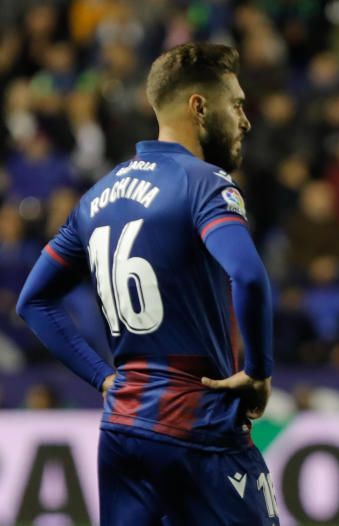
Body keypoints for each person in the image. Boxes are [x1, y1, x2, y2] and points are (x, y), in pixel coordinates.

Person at [16, 43, 279, 525]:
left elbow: (34, 302)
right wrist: (258, 371)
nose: (245, 120)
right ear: (199, 107)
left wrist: (102, 377)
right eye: (237, 104)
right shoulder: (204, 184)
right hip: (199, 427)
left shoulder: (96, 198)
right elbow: (249, 275)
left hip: (124, 430)